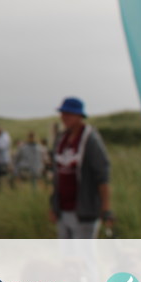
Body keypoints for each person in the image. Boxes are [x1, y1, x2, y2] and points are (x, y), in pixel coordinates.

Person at [49, 97, 113, 239]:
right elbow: (57, 177)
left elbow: (102, 174)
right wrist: (54, 206)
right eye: (63, 113)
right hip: (63, 209)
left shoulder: (90, 139)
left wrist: (106, 207)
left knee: (83, 251)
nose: (64, 117)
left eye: (69, 114)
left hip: (84, 210)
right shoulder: (61, 139)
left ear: (79, 116)